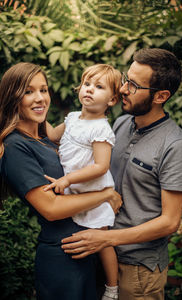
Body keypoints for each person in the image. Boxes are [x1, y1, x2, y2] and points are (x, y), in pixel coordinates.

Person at [60, 48, 182, 300]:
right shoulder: (121, 123)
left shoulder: (175, 145)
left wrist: (105, 238)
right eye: (126, 79)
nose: (122, 88)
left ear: (161, 96)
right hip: (99, 253)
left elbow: (170, 221)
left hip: (138, 270)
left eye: (133, 85)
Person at [0, 62, 122, 300]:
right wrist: (106, 195)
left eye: (43, 90)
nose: (40, 98)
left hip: (87, 248)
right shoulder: (15, 146)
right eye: (28, 91)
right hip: (63, 254)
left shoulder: (44, 139)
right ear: (12, 97)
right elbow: (51, 209)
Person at [44, 64, 122, 300]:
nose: (89, 90)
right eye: (87, 84)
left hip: (95, 193)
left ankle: (112, 287)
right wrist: (35, 113)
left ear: (112, 99)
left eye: (99, 87)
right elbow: (51, 136)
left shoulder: (101, 129)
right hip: (76, 194)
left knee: (102, 240)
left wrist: (67, 179)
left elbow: (101, 166)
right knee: (81, 239)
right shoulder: (72, 118)